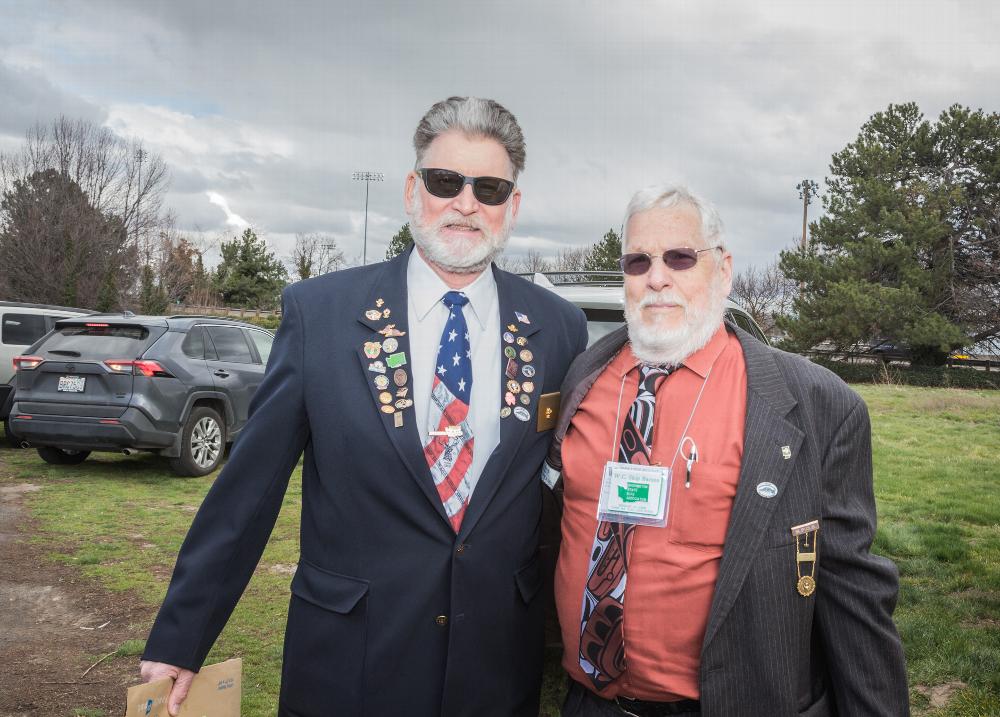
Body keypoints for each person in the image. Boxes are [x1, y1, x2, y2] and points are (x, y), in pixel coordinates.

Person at [140, 96, 588, 717]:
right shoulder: (320, 315)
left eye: (488, 188)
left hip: (493, 669)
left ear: (511, 207)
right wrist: (179, 641)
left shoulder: (557, 327)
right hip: (348, 665)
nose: (465, 203)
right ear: (412, 190)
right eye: (444, 181)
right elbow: (248, 493)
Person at [543, 184, 909, 716]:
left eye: (680, 257)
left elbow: (853, 592)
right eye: (637, 260)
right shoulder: (583, 379)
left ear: (723, 268)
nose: (657, 277)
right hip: (590, 703)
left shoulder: (817, 403)